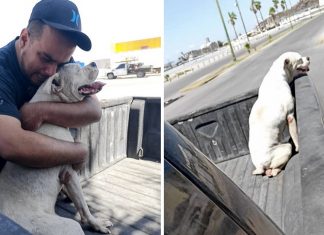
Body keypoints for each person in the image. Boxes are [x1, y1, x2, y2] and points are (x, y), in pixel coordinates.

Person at [0, 0, 101, 171]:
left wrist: (40, 111)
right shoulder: (3, 70)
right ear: (24, 39)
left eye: (61, 64)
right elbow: (10, 143)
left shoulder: (57, 57)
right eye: (45, 58)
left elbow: (94, 109)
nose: (52, 71)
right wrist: (79, 152)